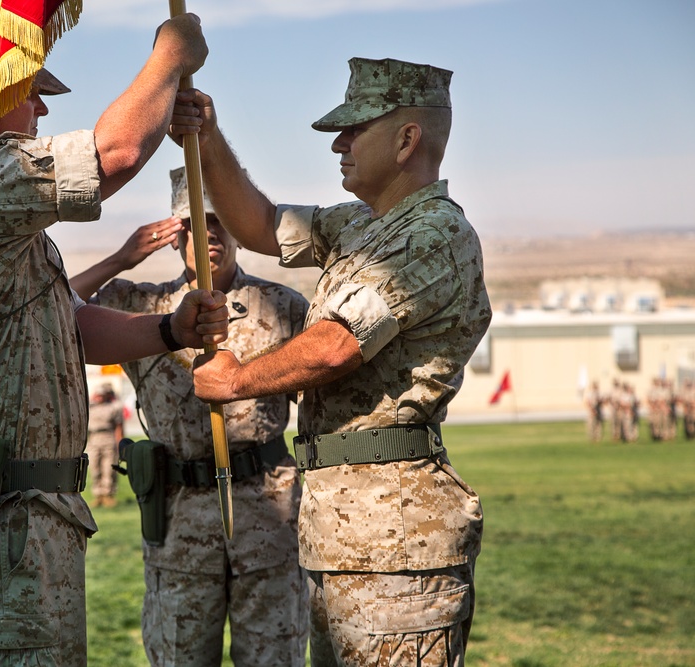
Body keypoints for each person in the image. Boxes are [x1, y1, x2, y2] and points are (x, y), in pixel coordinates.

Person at [0, 8, 225, 667]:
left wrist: (166, 328)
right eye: (29, 91)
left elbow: (70, 322)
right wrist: (168, 58)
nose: (41, 110)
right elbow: (113, 154)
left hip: (27, 519)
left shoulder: (4, 223)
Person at [174, 57, 492, 665]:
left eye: (354, 130)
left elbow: (336, 344)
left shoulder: (432, 235)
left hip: (398, 545)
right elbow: (262, 224)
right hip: (344, 533)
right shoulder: (359, 225)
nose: (339, 145)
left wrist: (238, 379)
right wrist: (207, 140)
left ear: (407, 139)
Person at [70, 167, 311, 667]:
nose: (210, 234)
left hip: (270, 516)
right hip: (180, 524)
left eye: (222, 220)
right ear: (176, 231)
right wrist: (121, 257)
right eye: (196, 221)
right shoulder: (141, 306)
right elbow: (52, 314)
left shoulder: (282, 307)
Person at [85, 383, 124, 508]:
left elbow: (119, 427)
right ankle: (98, 495)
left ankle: (108, 495)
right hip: (94, 439)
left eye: (102, 394)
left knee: (109, 468)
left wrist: (120, 443)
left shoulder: (114, 408)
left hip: (108, 438)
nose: (99, 397)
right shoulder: (90, 407)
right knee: (95, 467)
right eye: (98, 394)